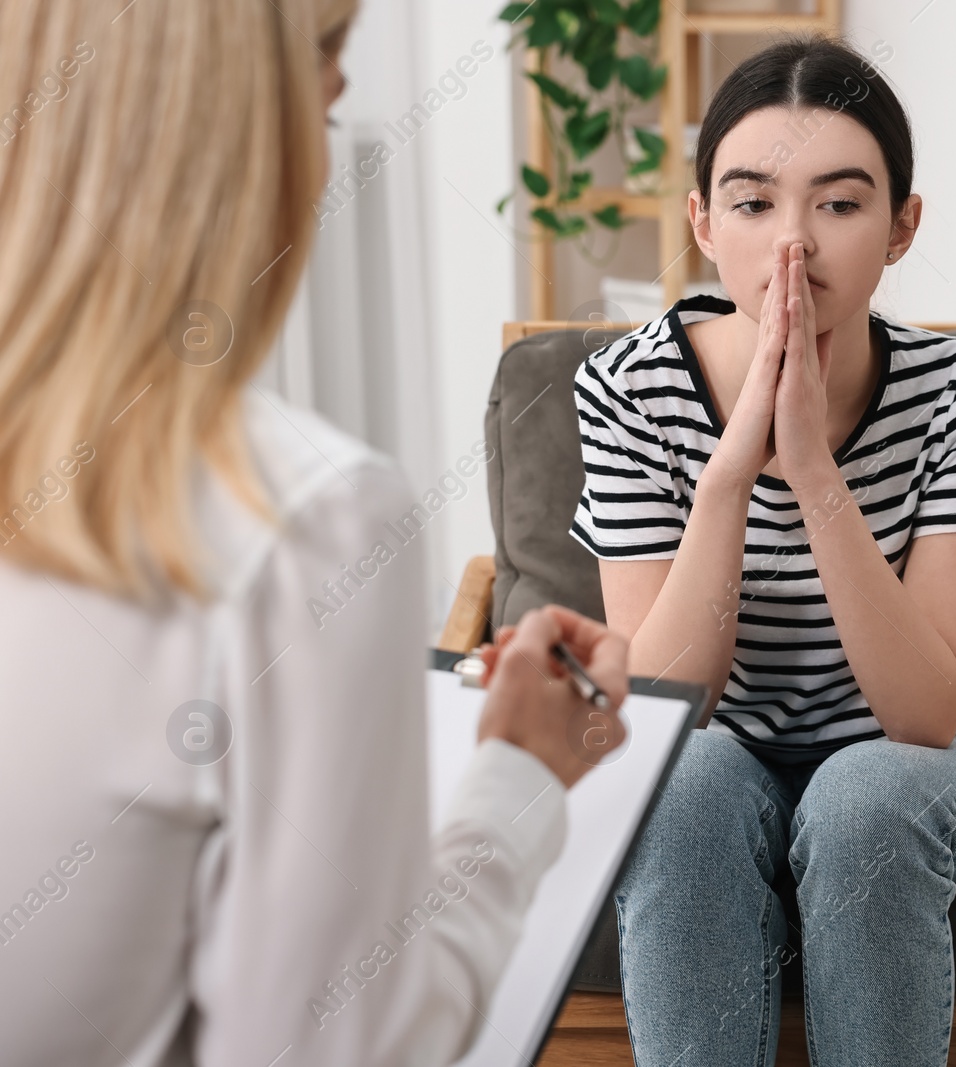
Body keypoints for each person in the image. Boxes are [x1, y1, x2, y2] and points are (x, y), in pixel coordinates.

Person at [0, 2, 627, 1064]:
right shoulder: (299, 519)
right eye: (327, 60)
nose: (340, 92)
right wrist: (517, 778)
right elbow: (339, 1048)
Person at [566, 33, 956, 1067]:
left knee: (863, 793)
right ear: (700, 223)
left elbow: (923, 713)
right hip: (719, 748)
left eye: (838, 203)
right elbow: (663, 700)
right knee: (676, 782)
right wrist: (731, 472)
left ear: (902, 226)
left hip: (935, 757)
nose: (796, 244)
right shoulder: (628, 389)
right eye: (751, 203)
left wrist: (818, 474)